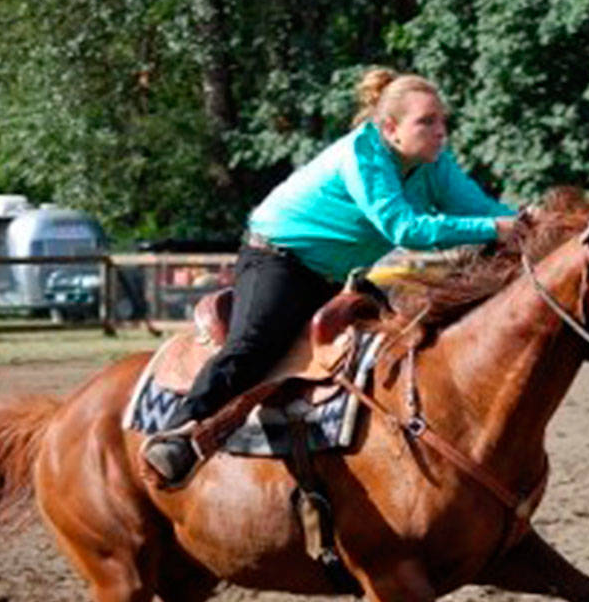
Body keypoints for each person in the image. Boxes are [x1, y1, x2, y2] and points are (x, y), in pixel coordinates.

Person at [144, 67, 517, 486]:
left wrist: (527, 222)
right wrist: (492, 230)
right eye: (427, 122)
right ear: (390, 128)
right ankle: (177, 431)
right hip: (276, 259)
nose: (440, 131)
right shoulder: (362, 154)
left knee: (405, 339)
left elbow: (483, 208)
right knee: (253, 346)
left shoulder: (435, 164)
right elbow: (404, 229)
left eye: (442, 121)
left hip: (331, 276)